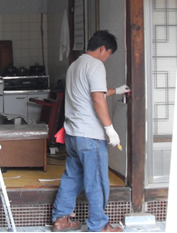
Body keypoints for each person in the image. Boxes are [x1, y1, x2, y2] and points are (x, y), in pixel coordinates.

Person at [52, 30, 131, 232]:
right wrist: (110, 129)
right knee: (96, 180)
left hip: (73, 134)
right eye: (109, 54)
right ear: (102, 48)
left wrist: (117, 90)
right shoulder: (95, 65)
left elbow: (93, 93)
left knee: (72, 176)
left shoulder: (75, 65)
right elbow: (97, 98)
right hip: (90, 136)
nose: (107, 58)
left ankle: (61, 219)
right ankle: (100, 225)